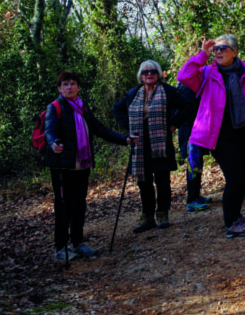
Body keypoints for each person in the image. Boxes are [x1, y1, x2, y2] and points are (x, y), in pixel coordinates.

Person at [178, 35, 245, 238]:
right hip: (218, 134)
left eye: (223, 48)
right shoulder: (207, 72)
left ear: (235, 51)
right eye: (215, 48)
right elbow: (183, 76)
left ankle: (236, 215)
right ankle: (231, 224)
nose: (218, 52)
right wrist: (202, 54)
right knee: (235, 177)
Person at [45, 71, 136, 261]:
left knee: (79, 205)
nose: (69, 87)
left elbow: (100, 129)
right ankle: (60, 248)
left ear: (78, 87)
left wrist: (125, 140)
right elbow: (49, 130)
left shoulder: (82, 108)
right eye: (65, 85)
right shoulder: (55, 107)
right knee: (63, 207)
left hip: (82, 165)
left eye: (72, 84)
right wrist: (54, 143)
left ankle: (77, 243)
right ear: (59, 88)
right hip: (62, 166)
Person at [113, 60, 187, 233]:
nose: (149, 74)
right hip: (140, 143)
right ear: (141, 75)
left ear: (159, 73)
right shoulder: (133, 94)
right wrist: (129, 128)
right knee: (143, 181)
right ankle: (147, 216)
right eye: (145, 72)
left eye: (153, 71)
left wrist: (174, 123)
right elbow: (117, 110)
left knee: (162, 180)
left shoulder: (168, 91)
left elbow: (187, 106)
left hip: (160, 140)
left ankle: (162, 213)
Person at [176, 82, 213, 211]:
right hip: (189, 131)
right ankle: (191, 200)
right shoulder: (186, 85)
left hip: (197, 129)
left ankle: (196, 195)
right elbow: (187, 109)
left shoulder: (194, 83)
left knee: (198, 162)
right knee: (193, 164)